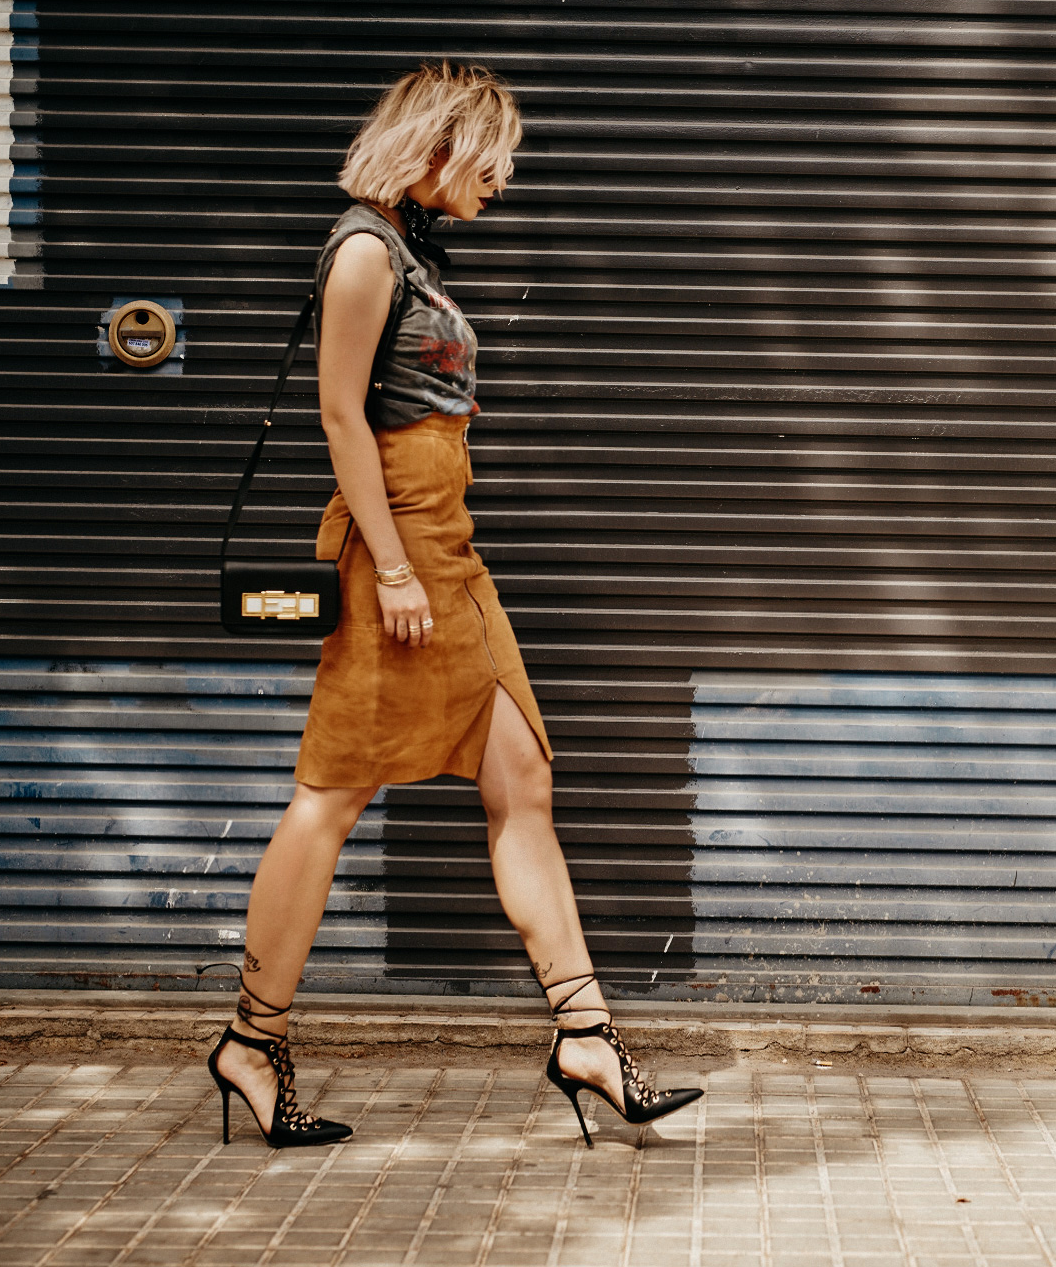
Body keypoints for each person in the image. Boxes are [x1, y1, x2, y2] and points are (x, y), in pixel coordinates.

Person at [204, 61, 701, 1149]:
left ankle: (583, 1034)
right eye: (495, 155)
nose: (505, 176)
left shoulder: (411, 247)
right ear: (439, 143)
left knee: (519, 772)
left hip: (447, 543)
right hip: (402, 547)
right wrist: (387, 570)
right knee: (330, 796)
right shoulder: (364, 250)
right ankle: (252, 1037)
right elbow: (342, 420)